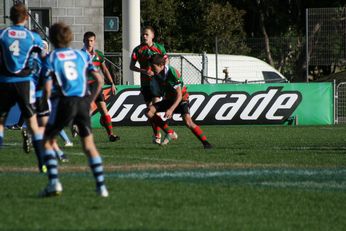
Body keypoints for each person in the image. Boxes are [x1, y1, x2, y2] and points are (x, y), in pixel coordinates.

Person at [39, 22, 108, 197]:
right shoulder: (81, 56)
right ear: (70, 38)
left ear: (52, 39)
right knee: (89, 145)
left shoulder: (51, 58)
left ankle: (54, 183)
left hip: (64, 102)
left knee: (47, 141)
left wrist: (43, 104)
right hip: (83, 103)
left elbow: (47, 88)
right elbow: (99, 80)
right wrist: (90, 100)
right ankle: (101, 187)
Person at [0, 3, 46, 172]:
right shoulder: (33, 37)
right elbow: (43, 58)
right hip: (25, 82)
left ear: (10, 17)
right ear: (26, 17)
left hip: (5, 81)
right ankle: (42, 163)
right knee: (33, 124)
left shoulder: (3, 34)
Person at [146, 54, 212, 149]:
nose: (152, 69)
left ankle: (206, 143)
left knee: (188, 121)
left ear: (161, 65)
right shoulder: (157, 74)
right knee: (149, 111)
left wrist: (171, 110)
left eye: (153, 67)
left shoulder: (172, 72)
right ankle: (170, 132)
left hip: (181, 99)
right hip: (169, 99)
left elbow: (179, 95)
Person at [130, 26, 177, 144]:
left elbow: (166, 62)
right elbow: (131, 66)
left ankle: (164, 133)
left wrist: (162, 76)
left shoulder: (159, 48)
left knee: (153, 110)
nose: (144, 36)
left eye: (146, 34)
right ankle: (159, 133)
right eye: (143, 34)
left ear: (152, 36)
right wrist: (144, 71)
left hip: (157, 82)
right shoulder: (138, 49)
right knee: (149, 112)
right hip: (145, 83)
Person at [81, 31, 119, 142]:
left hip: (96, 87)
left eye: (91, 40)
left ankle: (111, 135)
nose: (89, 42)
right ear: (84, 41)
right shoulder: (80, 55)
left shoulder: (98, 55)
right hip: (84, 86)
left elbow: (105, 69)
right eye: (87, 40)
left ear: (94, 42)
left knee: (104, 110)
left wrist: (112, 83)